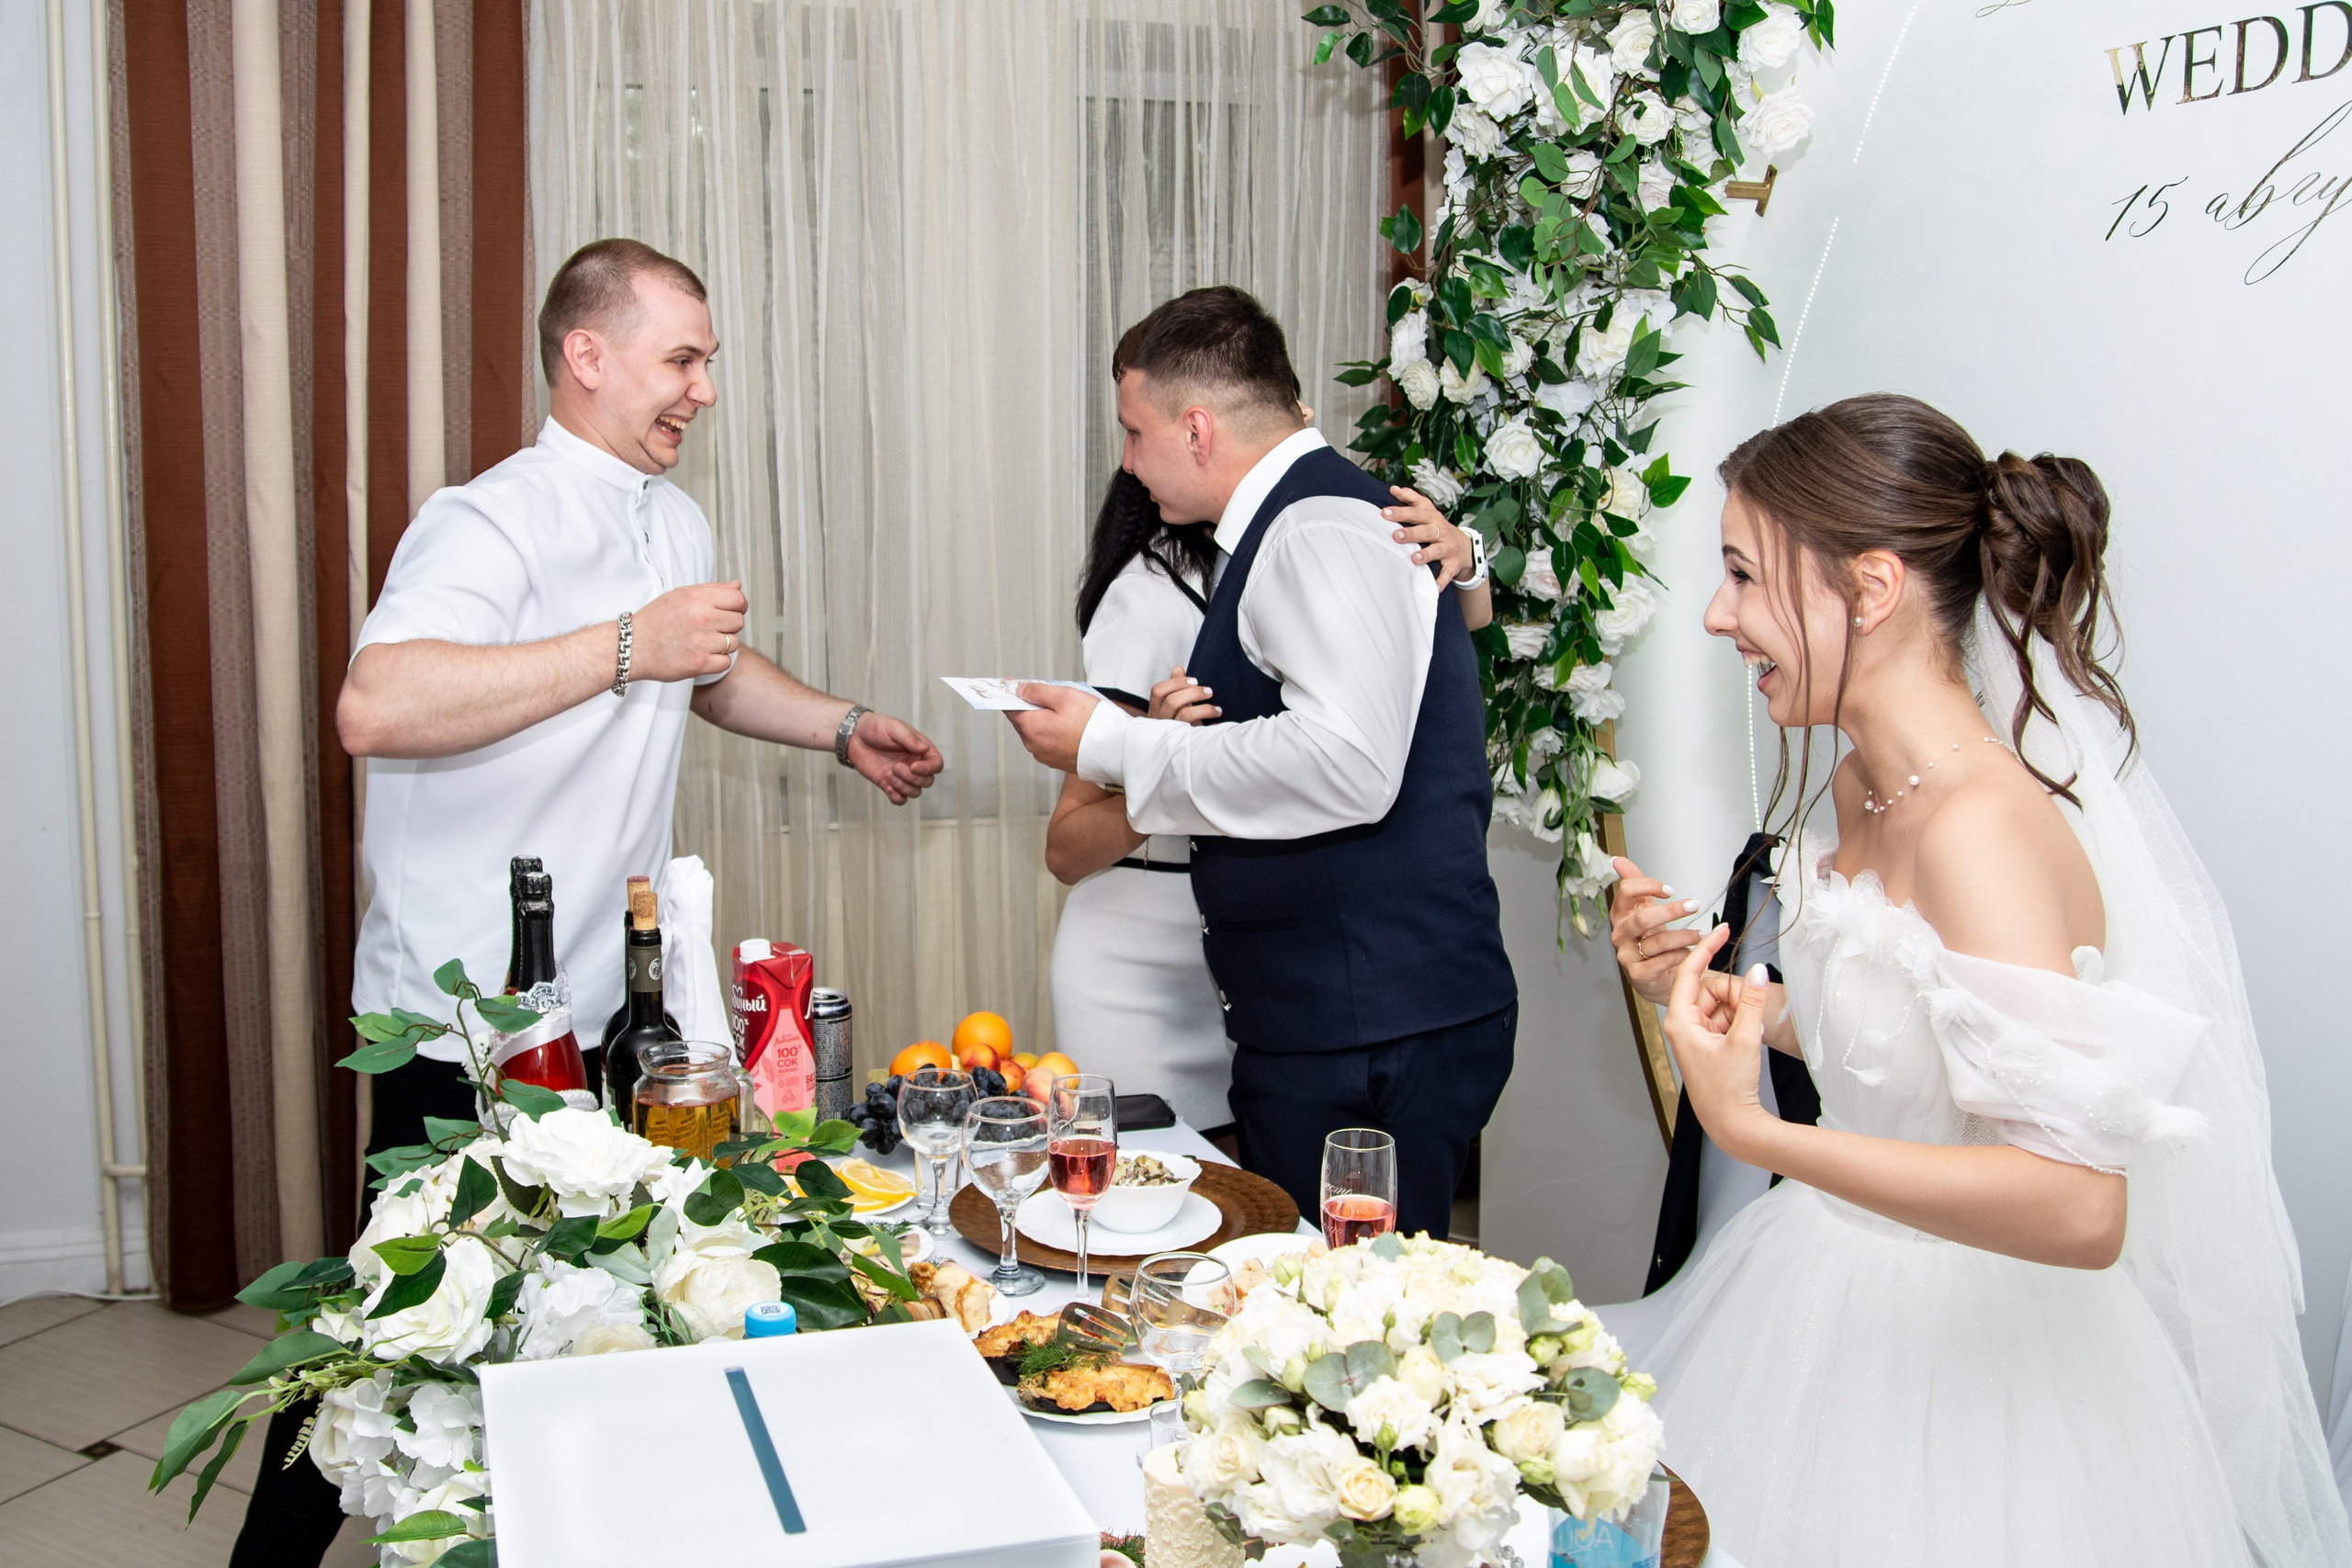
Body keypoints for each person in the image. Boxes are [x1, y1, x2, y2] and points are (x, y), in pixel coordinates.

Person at [230, 237, 942, 1564]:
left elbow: (703, 675)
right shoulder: (486, 518)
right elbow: (375, 704)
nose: (703, 391)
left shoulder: (671, 518)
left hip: (606, 1005)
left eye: (709, 364)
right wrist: (631, 641)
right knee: (400, 1323)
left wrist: (842, 728)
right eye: (683, 360)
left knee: (591, 1310)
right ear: (587, 355)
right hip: (465, 1021)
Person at [1616, 394, 2347, 1565]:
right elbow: (1910, 1050)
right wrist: (1727, 1009)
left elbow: (2076, 1203)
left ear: (1868, 589)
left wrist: (1754, 1129)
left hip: (1981, 1375)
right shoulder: (1864, 784)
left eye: (1745, 577)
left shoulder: (1983, 831)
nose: (1718, 616)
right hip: (1817, 1306)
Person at [1009, 286, 1516, 1241]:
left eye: (1132, 432)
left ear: (1195, 428)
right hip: (1340, 1013)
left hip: (1371, 1024)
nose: (1125, 462)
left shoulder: (1311, 529)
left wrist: (1111, 742)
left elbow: (1347, 762)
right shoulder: (1310, 521)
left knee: (1340, 1318)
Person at [1046, 465, 1494, 1137]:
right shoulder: (1149, 594)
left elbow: (1455, 630)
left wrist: (1466, 559)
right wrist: (1157, 757)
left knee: (1254, 1206)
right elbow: (1066, 845)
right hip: (1143, 958)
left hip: (1269, 962)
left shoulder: (1314, 537)